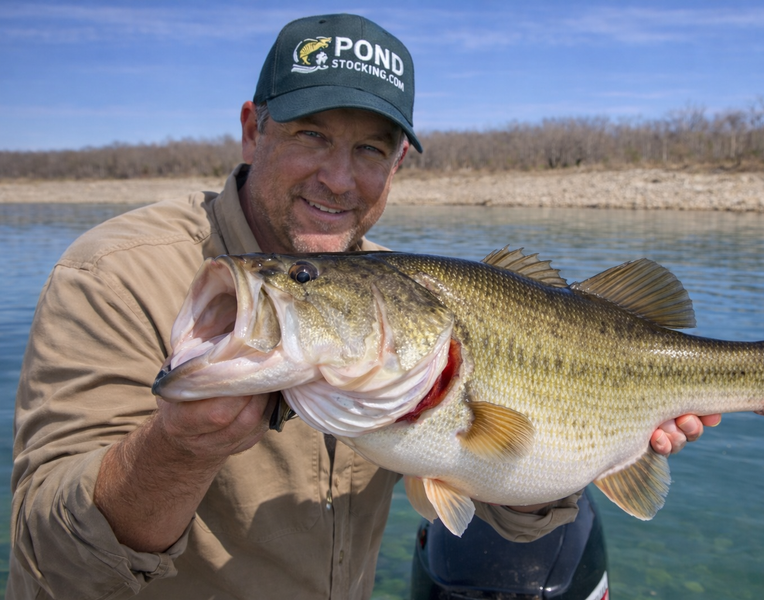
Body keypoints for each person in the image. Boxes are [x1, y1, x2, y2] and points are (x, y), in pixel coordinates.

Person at [8, 13, 720, 600]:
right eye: (312, 135)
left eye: (371, 149)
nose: (340, 178)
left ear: (398, 163)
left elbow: (512, 509)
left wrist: (591, 445)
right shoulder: (113, 276)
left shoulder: (391, 286)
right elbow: (49, 565)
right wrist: (177, 451)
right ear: (254, 129)